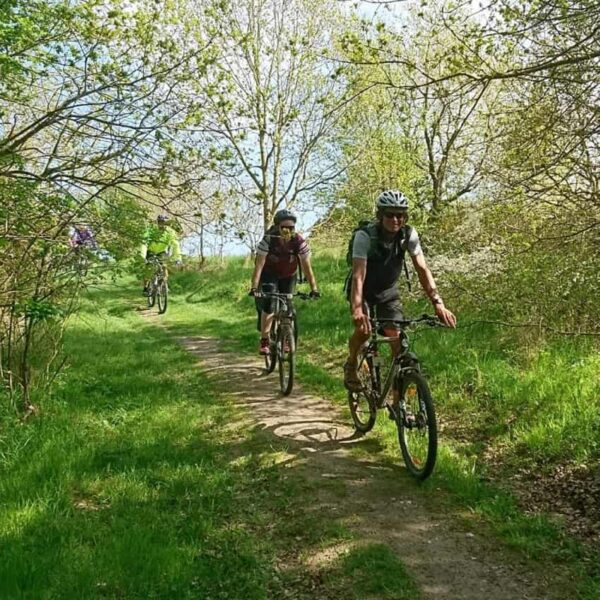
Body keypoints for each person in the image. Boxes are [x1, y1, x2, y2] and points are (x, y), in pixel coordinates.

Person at [344, 190, 456, 392]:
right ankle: (351, 363)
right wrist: (357, 309)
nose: (396, 219)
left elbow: (422, 269)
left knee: (398, 344)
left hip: (388, 292)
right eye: (390, 214)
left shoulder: (408, 235)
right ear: (380, 215)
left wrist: (438, 304)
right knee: (363, 331)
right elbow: (358, 276)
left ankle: (398, 404)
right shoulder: (364, 237)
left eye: (401, 215)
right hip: (363, 292)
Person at [249, 209, 320, 355]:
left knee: (288, 303)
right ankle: (265, 340)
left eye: (292, 228)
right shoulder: (268, 240)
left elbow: (307, 267)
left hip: (288, 275)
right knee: (269, 304)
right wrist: (254, 287)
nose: (288, 231)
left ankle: (287, 337)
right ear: (277, 227)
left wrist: (314, 288)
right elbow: (259, 266)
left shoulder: (299, 242)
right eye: (284, 228)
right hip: (269, 275)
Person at [141, 214, 182, 294]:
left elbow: (175, 244)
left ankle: (163, 285)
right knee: (149, 269)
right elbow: (144, 242)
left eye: (163, 222)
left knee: (164, 267)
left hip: (162, 252)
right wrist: (142, 256)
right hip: (151, 251)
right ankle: (146, 287)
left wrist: (177, 258)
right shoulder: (151, 229)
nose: (161, 224)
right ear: (157, 222)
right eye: (160, 222)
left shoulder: (170, 232)